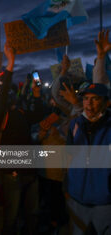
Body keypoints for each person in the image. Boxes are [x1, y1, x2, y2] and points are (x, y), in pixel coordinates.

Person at [66, 83, 111, 234]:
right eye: (85, 99)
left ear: (107, 102)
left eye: (95, 99)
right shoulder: (75, 125)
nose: (88, 104)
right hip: (77, 200)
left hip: (105, 204)